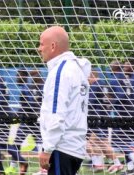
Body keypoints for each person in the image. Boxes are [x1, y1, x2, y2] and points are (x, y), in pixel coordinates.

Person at [38, 26, 91, 175]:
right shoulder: (76, 69)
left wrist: (47, 148)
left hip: (61, 148)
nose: (39, 48)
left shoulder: (60, 72)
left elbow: (57, 113)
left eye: (42, 44)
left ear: (53, 46)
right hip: (74, 148)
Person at [0, 63, 28, 175]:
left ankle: (1, 169)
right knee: (1, 142)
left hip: (1, 116)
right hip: (4, 114)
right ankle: (8, 166)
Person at [87, 70, 123, 174]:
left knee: (91, 142)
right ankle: (110, 163)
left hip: (97, 118)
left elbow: (91, 102)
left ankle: (100, 164)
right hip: (104, 116)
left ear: (92, 76)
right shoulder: (104, 85)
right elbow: (110, 100)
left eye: (87, 77)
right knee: (100, 143)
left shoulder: (95, 86)